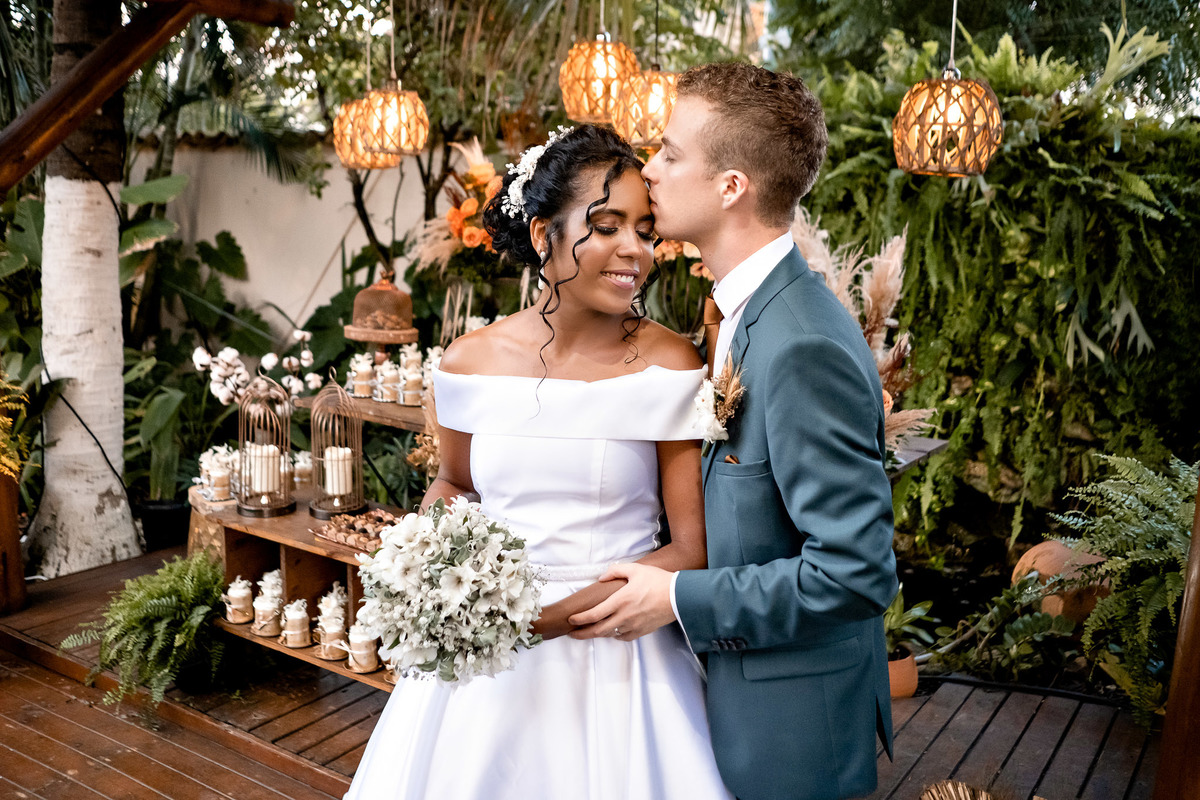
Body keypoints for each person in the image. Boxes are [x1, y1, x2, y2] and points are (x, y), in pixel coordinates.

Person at [344, 125, 733, 800]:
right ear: (540, 234)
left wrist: (540, 624)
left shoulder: (671, 363)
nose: (634, 251)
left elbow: (690, 549)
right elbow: (454, 482)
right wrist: (434, 571)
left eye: (645, 230)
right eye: (606, 225)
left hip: (621, 659)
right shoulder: (468, 362)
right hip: (481, 671)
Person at [567, 63, 900, 800]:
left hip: (792, 735)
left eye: (671, 153)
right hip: (737, 703)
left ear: (731, 187)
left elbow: (854, 572)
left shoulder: (801, 342)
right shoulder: (741, 313)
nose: (648, 169)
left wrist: (680, 599)